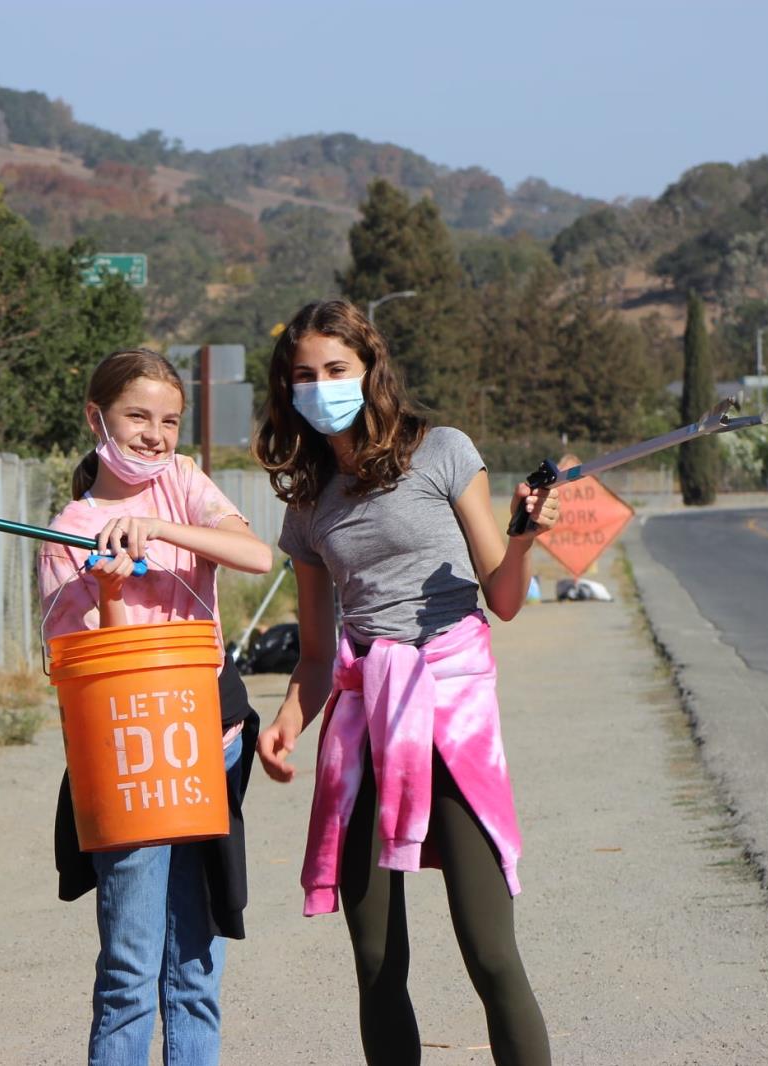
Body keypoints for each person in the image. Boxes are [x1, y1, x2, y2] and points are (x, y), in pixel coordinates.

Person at [253, 299, 560, 1066]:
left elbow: (505, 597)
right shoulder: (307, 504)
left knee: (490, 955)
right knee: (377, 965)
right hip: (363, 720)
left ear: (370, 370)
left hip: (451, 715)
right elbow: (318, 656)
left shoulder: (445, 452)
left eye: (335, 370)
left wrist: (523, 540)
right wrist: (287, 721)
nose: (319, 386)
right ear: (286, 390)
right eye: (303, 376)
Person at [38, 348, 272, 1065]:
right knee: (130, 975)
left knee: (197, 968)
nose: (155, 434)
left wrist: (163, 531)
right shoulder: (69, 528)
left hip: (211, 745)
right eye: (137, 416)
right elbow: (84, 674)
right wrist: (108, 589)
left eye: (169, 420)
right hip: (129, 761)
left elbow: (255, 555)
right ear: (95, 419)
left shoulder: (181, 484)